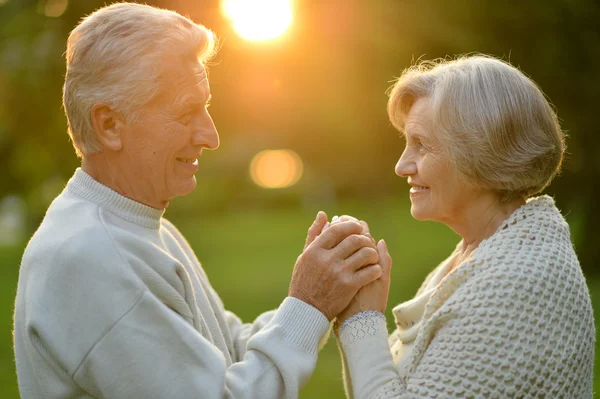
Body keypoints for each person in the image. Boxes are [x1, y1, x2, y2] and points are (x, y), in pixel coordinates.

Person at [12, 3, 387, 398]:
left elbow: (229, 353)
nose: (210, 136)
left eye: (205, 107)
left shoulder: (144, 230)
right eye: (187, 112)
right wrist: (310, 301)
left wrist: (320, 289)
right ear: (109, 125)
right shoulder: (92, 257)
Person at [333, 55, 595, 398]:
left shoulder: (517, 282)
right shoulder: (476, 255)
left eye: (421, 145)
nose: (401, 166)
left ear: (480, 150)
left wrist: (361, 318)